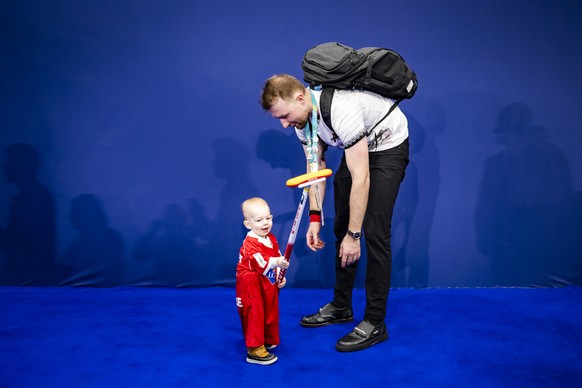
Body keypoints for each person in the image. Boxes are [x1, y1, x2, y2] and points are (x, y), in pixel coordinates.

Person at [260, 74, 409, 352]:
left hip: (387, 146)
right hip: (359, 148)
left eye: (285, 115)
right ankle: (341, 306)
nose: (284, 123)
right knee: (341, 224)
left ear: (300, 98)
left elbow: (362, 177)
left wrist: (355, 234)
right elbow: (315, 169)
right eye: (278, 119)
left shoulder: (343, 109)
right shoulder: (301, 120)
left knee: (374, 230)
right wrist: (315, 217)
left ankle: (375, 322)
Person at [236, 197, 289, 365]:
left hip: (266, 278)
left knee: (270, 308)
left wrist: (280, 273)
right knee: (255, 312)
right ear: (248, 224)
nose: (265, 223)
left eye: (268, 218)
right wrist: (276, 263)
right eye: (259, 220)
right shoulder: (249, 244)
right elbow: (262, 262)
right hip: (250, 281)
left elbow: (278, 256)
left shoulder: (270, 238)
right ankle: (254, 348)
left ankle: (267, 337)